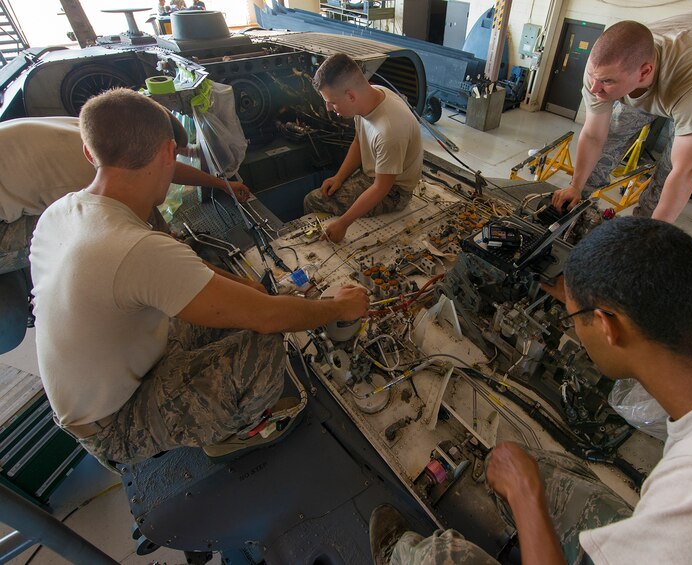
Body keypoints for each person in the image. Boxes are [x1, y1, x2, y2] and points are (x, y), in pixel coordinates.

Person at [369, 217, 692, 564]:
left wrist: (526, 494)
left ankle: (400, 551)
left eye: (574, 318)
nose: (569, 328)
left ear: (608, 324)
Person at [29, 89, 369, 468]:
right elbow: (270, 318)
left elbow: (185, 269)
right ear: (167, 153)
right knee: (264, 343)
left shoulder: (61, 212)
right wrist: (339, 306)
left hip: (100, 385)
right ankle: (233, 432)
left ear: (89, 153)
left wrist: (250, 289)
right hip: (114, 424)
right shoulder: (135, 249)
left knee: (237, 308)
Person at [0, 115, 252, 351]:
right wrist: (240, 287)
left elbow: (166, 167)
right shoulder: (86, 183)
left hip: (18, 182)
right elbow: (158, 246)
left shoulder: (111, 138)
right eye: (172, 153)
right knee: (123, 227)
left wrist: (222, 184)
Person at [552, 11, 692, 222]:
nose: (595, 89)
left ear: (644, 72)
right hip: (687, 48)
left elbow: (685, 170)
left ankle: (643, 225)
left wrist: (654, 231)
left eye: (607, 81)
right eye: (593, 78)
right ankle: (578, 203)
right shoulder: (602, 71)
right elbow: (594, 136)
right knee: (613, 133)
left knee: (674, 163)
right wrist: (575, 186)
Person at [303, 53, 422, 243]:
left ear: (350, 95)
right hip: (376, 174)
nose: (328, 108)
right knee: (326, 193)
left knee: (312, 200)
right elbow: (359, 142)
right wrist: (339, 178)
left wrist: (343, 224)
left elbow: (381, 188)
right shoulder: (368, 97)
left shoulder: (389, 131)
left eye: (331, 102)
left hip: (394, 190)